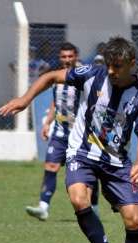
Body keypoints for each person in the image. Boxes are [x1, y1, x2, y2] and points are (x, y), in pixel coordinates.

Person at [0, 36, 138, 243]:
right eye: (109, 65)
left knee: (134, 220)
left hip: (117, 162)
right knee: (78, 198)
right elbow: (50, 77)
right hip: (81, 152)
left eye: (117, 66)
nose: (111, 71)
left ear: (131, 63)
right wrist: (25, 99)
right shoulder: (92, 74)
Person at [25, 42, 100, 220]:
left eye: (70, 56)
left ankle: (94, 207)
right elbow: (55, 103)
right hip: (59, 132)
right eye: (63, 57)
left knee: (89, 171)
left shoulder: (85, 76)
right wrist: (47, 123)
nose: (67, 60)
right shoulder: (56, 77)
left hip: (81, 134)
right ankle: (43, 207)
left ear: (76, 57)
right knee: (50, 166)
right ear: (60, 58)